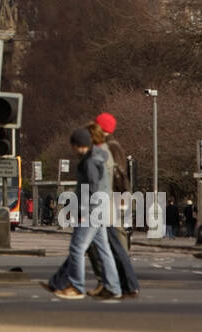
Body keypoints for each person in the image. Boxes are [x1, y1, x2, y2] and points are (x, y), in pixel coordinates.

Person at [42, 128, 122, 301]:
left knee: (77, 248)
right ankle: (114, 287)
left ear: (78, 145)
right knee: (104, 249)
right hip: (100, 208)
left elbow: (91, 187)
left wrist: (85, 211)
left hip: (92, 210)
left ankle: (77, 287)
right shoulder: (98, 157)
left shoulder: (90, 162)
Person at [85, 114, 140, 298]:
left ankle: (120, 283)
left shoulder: (109, 148)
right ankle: (119, 283)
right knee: (108, 244)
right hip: (113, 202)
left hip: (111, 203)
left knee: (112, 245)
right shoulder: (111, 146)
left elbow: (112, 176)